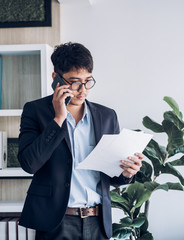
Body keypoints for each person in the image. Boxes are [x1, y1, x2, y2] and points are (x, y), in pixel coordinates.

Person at [18, 42, 143, 240]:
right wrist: (58, 119)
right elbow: (29, 164)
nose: (83, 90)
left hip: (97, 222)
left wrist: (127, 173)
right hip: (55, 223)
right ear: (56, 78)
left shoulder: (107, 116)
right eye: (75, 82)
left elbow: (111, 177)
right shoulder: (35, 111)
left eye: (88, 81)